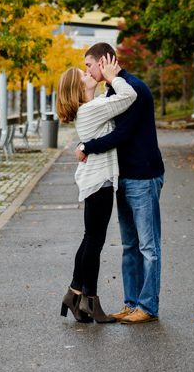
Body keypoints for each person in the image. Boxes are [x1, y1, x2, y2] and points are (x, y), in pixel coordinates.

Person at [75, 42, 164, 325]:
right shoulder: (113, 91)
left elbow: (121, 135)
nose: (87, 70)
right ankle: (131, 303)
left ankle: (147, 307)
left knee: (148, 246)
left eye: (89, 64)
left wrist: (87, 146)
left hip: (144, 175)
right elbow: (98, 121)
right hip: (123, 177)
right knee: (129, 245)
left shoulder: (133, 88)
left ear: (103, 62)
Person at [56, 54, 136, 324]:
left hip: (97, 179)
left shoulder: (92, 106)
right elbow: (128, 96)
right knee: (94, 240)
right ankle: (82, 295)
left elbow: (109, 102)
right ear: (79, 88)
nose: (91, 75)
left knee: (91, 239)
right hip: (99, 180)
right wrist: (114, 77)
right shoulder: (91, 109)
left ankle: (81, 297)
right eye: (85, 76)